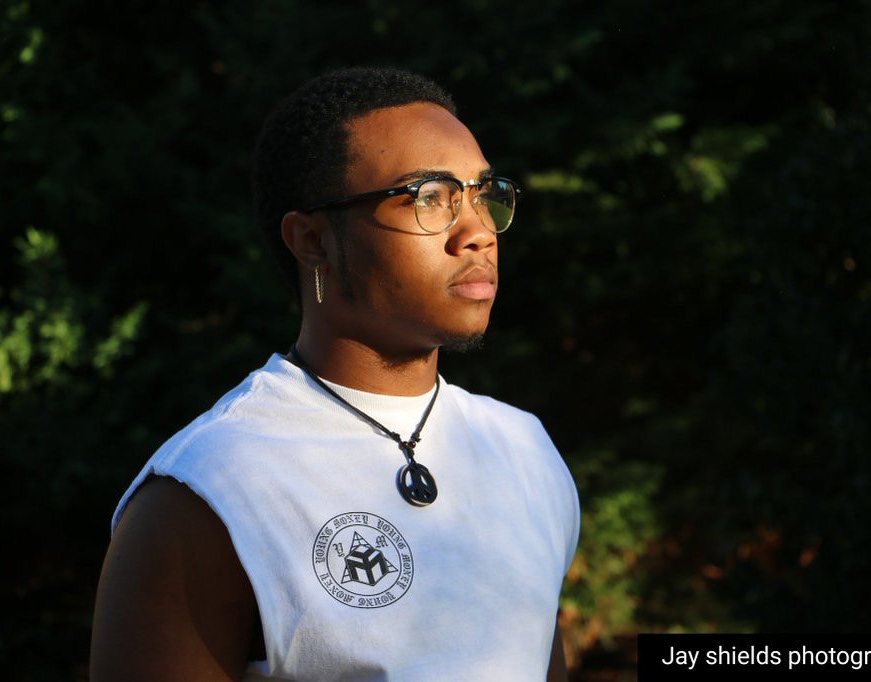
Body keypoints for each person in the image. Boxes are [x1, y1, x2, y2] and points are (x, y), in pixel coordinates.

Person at [90, 67, 580, 682]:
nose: (477, 231)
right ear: (313, 240)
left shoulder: (524, 449)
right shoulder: (210, 491)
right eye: (429, 196)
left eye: (483, 193)